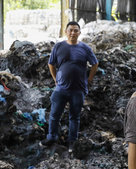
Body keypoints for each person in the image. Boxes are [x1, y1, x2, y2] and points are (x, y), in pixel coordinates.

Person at [40, 21, 99, 152]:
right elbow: (51, 64)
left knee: (75, 117)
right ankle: (51, 138)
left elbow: (95, 64)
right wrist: (55, 79)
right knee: (55, 115)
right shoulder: (59, 47)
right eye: (70, 30)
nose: (73, 33)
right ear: (66, 32)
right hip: (61, 88)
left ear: (79, 32)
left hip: (78, 90)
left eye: (76, 30)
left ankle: (72, 141)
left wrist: (89, 79)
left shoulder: (85, 48)